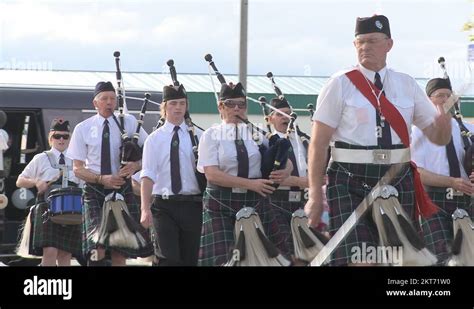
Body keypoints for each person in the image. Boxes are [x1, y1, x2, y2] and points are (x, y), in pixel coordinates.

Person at [305, 15, 452, 266]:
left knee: (398, 260)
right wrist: (314, 196)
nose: (365, 47)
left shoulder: (406, 84)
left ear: (389, 44)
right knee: (360, 259)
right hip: (349, 179)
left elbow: (438, 137)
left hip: (398, 178)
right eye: (359, 42)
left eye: (372, 41)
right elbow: (319, 143)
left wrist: (444, 119)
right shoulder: (339, 84)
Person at [197, 82, 291, 266]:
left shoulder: (256, 133)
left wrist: (284, 171)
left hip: (255, 201)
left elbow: (286, 160)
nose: (237, 108)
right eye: (230, 104)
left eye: (242, 104)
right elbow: (212, 175)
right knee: (225, 260)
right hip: (221, 203)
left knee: (271, 257)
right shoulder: (211, 135)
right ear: (220, 106)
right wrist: (251, 184)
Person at [68, 81, 153, 266]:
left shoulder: (128, 122)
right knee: (96, 247)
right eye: (104, 99)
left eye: (113, 99)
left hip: (122, 189)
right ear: (95, 103)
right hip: (94, 190)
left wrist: (136, 166)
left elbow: (150, 151)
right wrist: (100, 178)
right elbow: (77, 168)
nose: (109, 102)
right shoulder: (82, 128)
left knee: (120, 247)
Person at [411, 78, 474, 264]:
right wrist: (451, 182)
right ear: (428, 100)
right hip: (434, 201)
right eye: (440, 96)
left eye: (449, 96)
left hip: (467, 199)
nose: (445, 100)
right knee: (443, 258)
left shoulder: (468, 130)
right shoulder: (419, 132)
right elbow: (418, 172)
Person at [140, 84, 203, 266]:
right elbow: (147, 175)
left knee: (190, 260)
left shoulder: (198, 135)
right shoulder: (154, 139)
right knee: (168, 259)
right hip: (163, 206)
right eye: (173, 103)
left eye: (182, 103)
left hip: (193, 205)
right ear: (164, 106)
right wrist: (145, 209)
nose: (178, 107)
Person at [16, 118, 83, 266]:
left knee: (66, 253)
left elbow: (83, 186)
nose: (61, 139)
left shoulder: (78, 160)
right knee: (50, 251)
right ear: (50, 138)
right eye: (57, 136)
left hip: (73, 210)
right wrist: (36, 182)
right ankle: (49, 287)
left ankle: (63, 287)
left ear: (70, 139)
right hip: (47, 208)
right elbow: (20, 181)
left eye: (65, 136)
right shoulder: (40, 158)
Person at [266, 98, 311, 261]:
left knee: (305, 253)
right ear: (270, 118)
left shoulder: (303, 141)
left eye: (288, 114)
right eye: (280, 114)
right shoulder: (269, 142)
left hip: (302, 203)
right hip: (276, 202)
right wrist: (302, 182)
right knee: (285, 252)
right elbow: (273, 177)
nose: (286, 118)